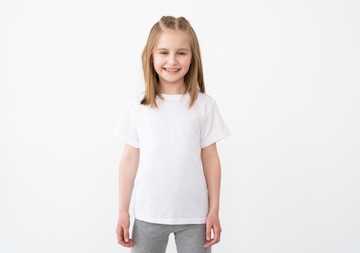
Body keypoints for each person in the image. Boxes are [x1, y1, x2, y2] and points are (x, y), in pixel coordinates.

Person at [113, 16, 230, 253]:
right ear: (151, 56)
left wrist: (214, 209)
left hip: (195, 217)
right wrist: (123, 211)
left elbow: (211, 159)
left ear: (192, 57)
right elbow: (129, 159)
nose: (172, 61)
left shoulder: (204, 106)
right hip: (148, 214)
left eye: (181, 53)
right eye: (164, 52)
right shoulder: (138, 106)